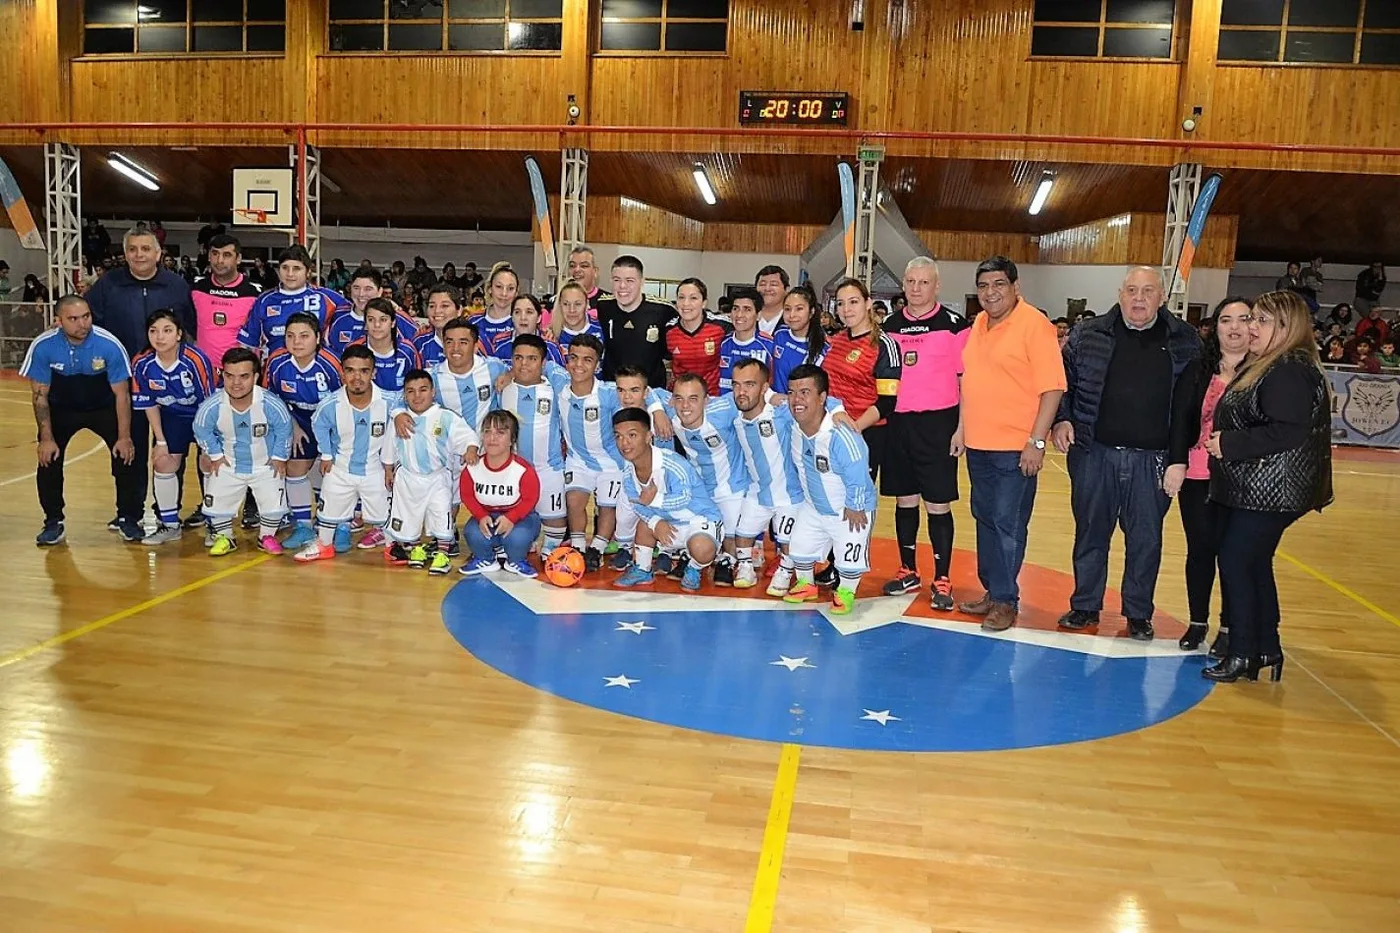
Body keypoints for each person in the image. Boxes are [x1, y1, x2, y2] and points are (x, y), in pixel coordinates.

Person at [1053, 265, 1203, 640]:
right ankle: (1085, 604)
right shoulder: (1087, 335)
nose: (1139, 298)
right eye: (1132, 290)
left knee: (1145, 540)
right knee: (1090, 533)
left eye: (1148, 291)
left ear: (1162, 297)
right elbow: (1061, 383)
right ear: (1120, 294)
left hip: (1152, 460)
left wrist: (1178, 457)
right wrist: (1062, 419)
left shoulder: (1185, 340)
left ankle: (1138, 612)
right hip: (1094, 453)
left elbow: (1190, 406)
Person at [1203, 290, 1332, 683]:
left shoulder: (1288, 369)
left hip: (1271, 490)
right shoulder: (1274, 364)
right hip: (1262, 488)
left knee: (1238, 561)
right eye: (1251, 318)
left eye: (1261, 321)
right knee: (1253, 563)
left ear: (1285, 327)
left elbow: (1287, 431)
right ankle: (1264, 646)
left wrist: (1229, 443)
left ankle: (1242, 652)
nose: (1250, 327)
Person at [956, 257, 1066, 633]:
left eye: (999, 284)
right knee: (985, 519)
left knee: (1009, 523)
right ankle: (993, 591)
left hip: (1016, 449)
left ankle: (1006, 600)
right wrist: (961, 429)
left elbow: (1052, 388)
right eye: (984, 286)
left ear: (1015, 287)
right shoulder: (979, 324)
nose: (991, 293)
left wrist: (1036, 441)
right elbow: (970, 381)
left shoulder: (1035, 325)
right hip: (979, 445)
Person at [86, 226, 195, 530]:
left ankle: (166, 512)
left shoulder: (176, 286)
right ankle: (128, 513)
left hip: (170, 386)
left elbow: (190, 329)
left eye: (145, 249)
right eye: (132, 249)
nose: (139, 255)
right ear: (125, 253)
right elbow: (93, 328)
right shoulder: (109, 285)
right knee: (127, 447)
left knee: (172, 451)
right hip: (125, 386)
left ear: (158, 254)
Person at [880, 256, 970, 610]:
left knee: (937, 503)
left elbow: (968, 383)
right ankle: (907, 570)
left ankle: (943, 578)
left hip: (939, 423)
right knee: (905, 500)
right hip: (898, 423)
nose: (916, 289)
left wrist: (962, 428)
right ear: (903, 284)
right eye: (911, 282)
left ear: (937, 286)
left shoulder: (955, 326)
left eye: (924, 283)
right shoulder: (888, 326)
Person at [21, 295, 142, 545]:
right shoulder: (43, 346)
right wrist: (46, 438)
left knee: (126, 455)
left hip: (103, 406)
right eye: (73, 319)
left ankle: (127, 517)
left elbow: (122, 395)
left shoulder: (109, 345)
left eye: (86, 316)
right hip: (61, 409)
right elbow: (39, 396)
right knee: (48, 460)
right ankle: (53, 520)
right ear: (58, 321)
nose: (82, 324)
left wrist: (124, 437)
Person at [1178, 297, 1252, 654]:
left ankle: (1229, 625)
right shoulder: (1197, 369)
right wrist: (1175, 463)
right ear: (1215, 327)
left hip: (1242, 479)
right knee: (1200, 551)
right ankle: (1197, 622)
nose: (1234, 327)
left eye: (1243, 319)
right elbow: (1180, 420)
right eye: (1226, 320)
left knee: (1233, 555)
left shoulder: (1264, 372)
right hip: (1196, 475)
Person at [780, 365, 877, 615]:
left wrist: (855, 505)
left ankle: (846, 591)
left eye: (804, 393)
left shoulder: (840, 434)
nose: (796, 400)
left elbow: (858, 469)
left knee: (849, 559)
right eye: (792, 393)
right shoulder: (791, 422)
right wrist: (836, 405)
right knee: (798, 550)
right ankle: (806, 585)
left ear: (821, 398)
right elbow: (767, 399)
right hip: (813, 507)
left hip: (848, 509)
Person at [294, 345, 396, 562]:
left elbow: (404, 419)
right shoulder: (330, 404)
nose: (356, 377)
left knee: (384, 514)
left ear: (373, 373)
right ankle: (324, 546)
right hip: (340, 467)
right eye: (350, 370)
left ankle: (393, 547)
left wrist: (391, 464)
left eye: (364, 371)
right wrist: (326, 454)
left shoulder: (390, 402)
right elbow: (318, 423)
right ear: (342, 372)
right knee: (329, 509)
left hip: (374, 469)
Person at [191, 347, 292, 556]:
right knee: (217, 506)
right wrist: (216, 455)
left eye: (244, 376)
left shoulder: (270, 404)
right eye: (230, 376)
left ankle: (267, 537)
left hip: (265, 465)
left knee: (273, 506)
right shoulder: (211, 407)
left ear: (256, 377)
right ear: (223, 375)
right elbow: (201, 429)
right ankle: (225, 537)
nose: (236, 383)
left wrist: (280, 457)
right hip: (229, 464)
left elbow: (284, 428)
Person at [612, 408, 723, 592]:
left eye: (632, 435)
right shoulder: (628, 475)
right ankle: (643, 569)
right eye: (618, 436)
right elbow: (637, 505)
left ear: (648, 436)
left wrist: (653, 500)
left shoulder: (672, 463)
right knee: (644, 524)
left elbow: (684, 498)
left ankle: (695, 567)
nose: (624, 443)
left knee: (701, 549)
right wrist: (656, 522)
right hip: (669, 524)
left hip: (700, 520)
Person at [131, 309, 217, 545]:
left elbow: (210, 402)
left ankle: (215, 524)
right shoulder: (142, 363)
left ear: (179, 334)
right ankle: (169, 525)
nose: (160, 337)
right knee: (163, 461)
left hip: (204, 415)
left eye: (167, 331)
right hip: (172, 417)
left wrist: (209, 443)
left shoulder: (195, 360)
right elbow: (148, 403)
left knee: (209, 463)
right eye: (154, 331)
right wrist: (160, 441)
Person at [261, 311, 344, 550]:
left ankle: (333, 521)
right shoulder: (277, 362)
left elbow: (345, 400)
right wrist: (292, 425)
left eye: (304, 336)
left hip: (332, 420)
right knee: (295, 467)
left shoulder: (330, 363)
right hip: (298, 417)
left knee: (328, 469)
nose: (297, 342)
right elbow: (272, 400)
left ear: (317, 338)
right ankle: (303, 525)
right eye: (291, 336)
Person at [386, 368, 478, 575]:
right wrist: (388, 468)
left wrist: (471, 449)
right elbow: (389, 446)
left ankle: (442, 555)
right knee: (409, 516)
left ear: (433, 392)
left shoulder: (446, 417)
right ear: (405, 395)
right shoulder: (400, 419)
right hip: (408, 478)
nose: (417, 396)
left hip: (438, 478)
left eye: (423, 390)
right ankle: (416, 550)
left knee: (441, 514)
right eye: (411, 391)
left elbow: (467, 436)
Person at [729, 357, 807, 593]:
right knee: (741, 535)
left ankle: (786, 569)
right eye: (736, 384)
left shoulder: (781, 413)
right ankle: (745, 567)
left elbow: (816, 402)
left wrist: (838, 410)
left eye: (749, 384)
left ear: (764, 388)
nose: (741, 391)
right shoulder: (736, 418)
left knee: (787, 541)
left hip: (789, 494)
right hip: (758, 492)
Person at [496, 334, 569, 559]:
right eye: (518, 358)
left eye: (531, 358)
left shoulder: (556, 389)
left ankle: (551, 545)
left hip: (549, 467)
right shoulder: (502, 388)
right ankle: (522, 539)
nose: (524, 364)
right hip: (513, 470)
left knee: (554, 516)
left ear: (543, 363)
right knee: (513, 530)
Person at [822, 277, 902, 481]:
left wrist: (854, 428)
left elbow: (888, 401)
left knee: (858, 501)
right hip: (832, 429)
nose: (846, 309)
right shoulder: (837, 340)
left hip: (865, 434)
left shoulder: (884, 344)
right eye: (840, 303)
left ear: (867, 303)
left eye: (853, 301)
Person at [458, 410, 543, 578]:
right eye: (487, 431)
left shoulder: (523, 470)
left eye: (500, 432)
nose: (492, 438)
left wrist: (512, 518)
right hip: (488, 517)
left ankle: (517, 559)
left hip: (520, 518)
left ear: (512, 439)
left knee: (518, 537)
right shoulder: (473, 468)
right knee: (472, 532)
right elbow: (467, 495)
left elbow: (530, 499)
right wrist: (481, 516)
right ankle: (486, 559)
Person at [238, 244, 349, 356]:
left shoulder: (327, 297)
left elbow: (357, 317)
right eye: (285, 267)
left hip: (316, 370)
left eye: (297, 268)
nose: (290, 274)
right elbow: (249, 345)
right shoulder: (264, 300)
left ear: (308, 271)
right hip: (274, 369)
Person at [596, 255, 675, 388]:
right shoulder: (603, 306)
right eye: (617, 280)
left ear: (642, 281)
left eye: (629, 280)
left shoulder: (663, 310)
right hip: (613, 390)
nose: (622, 286)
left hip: (650, 392)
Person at [191, 233, 261, 372]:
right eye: (215, 254)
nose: (220, 260)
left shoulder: (255, 292)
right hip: (205, 372)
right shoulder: (196, 288)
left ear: (238, 258)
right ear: (209, 256)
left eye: (227, 255)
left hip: (240, 374)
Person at [326, 267, 419, 353]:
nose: (361, 294)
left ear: (380, 292)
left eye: (368, 289)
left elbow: (420, 348)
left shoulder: (397, 317)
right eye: (356, 288)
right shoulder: (337, 316)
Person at [665, 277, 731, 395]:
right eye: (681, 298)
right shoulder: (669, 330)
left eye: (693, 298)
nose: (686, 303)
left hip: (713, 397)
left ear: (704, 303)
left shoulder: (722, 326)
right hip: (681, 398)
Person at [769, 285, 828, 393]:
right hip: (774, 405)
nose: (792, 315)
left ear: (811, 312)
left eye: (799, 309)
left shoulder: (824, 348)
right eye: (787, 309)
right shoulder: (779, 334)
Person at [718, 287, 775, 393]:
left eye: (747, 309)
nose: (739, 315)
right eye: (735, 309)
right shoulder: (721, 343)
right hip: (723, 406)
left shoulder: (770, 346)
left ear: (758, 315)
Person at [488, 294, 565, 365]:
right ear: (512, 317)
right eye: (517, 312)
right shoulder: (499, 342)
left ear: (539, 318)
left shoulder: (550, 347)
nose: (523, 317)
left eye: (529, 312)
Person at [470, 263, 520, 352]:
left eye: (510, 288)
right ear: (490, 289)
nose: (504, 293)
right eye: (499, 287)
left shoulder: (522, 322)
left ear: (516, 292)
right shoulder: (473, 321)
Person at [548, 281, 605, 356]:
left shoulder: (602, 328)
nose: (572, 310)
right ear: (560, 305)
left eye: (577, 304)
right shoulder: (552, 336)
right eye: (566, 304)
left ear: (587, 304)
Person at [412, 283, 462, 367]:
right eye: (432, 306)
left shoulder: (473, 342)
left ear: (459, 310)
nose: (437, 311)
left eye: (444, 306)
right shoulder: (419, 343)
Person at [754, 265, 789, 337]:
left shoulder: (792, 319)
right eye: (762, 284)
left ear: (786, 289)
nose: (767, 289)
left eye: (773, 284)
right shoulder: (745, 317)